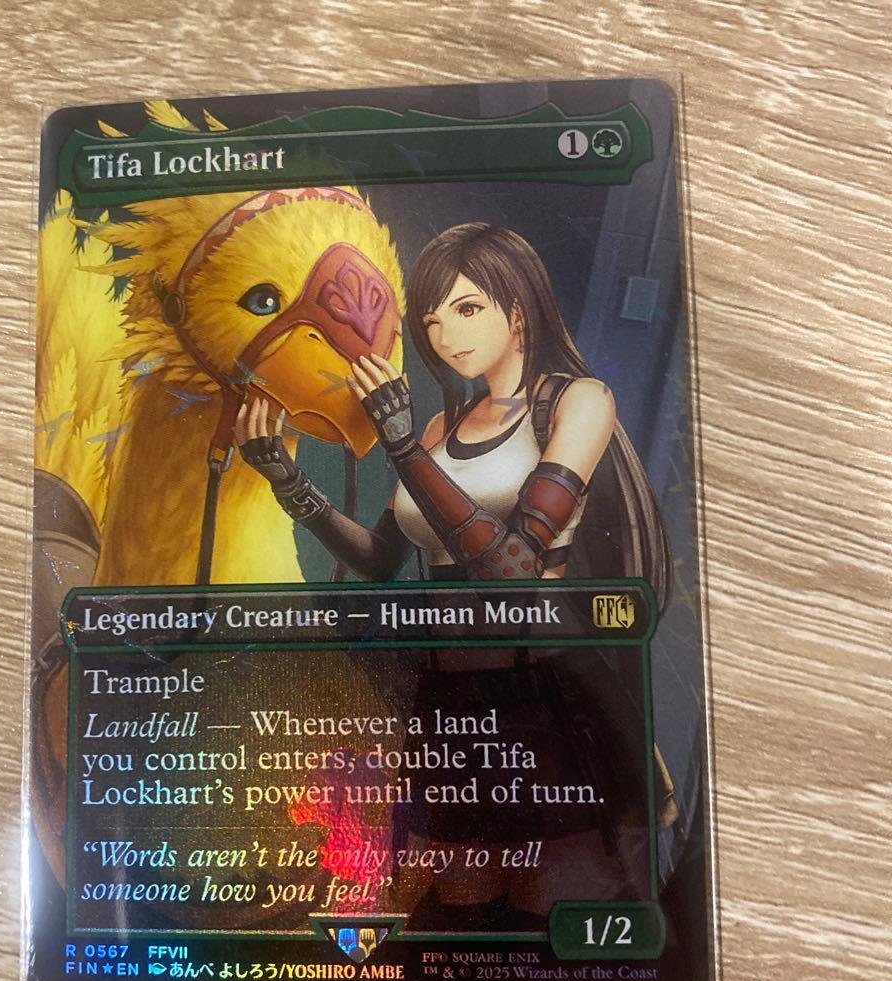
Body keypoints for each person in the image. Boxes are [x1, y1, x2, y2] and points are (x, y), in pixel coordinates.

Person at [234, 222, 671, 928]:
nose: (446, 335)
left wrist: (405, 449)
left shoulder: (577, 402)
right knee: (459, 916)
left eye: (467, 309)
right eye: (433, 319)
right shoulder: (442, 426)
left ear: (518, 310)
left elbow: (513, 571)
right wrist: (290, 484)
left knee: (538, 918)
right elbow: (379, 561)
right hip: (445, 702)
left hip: (543, 697)